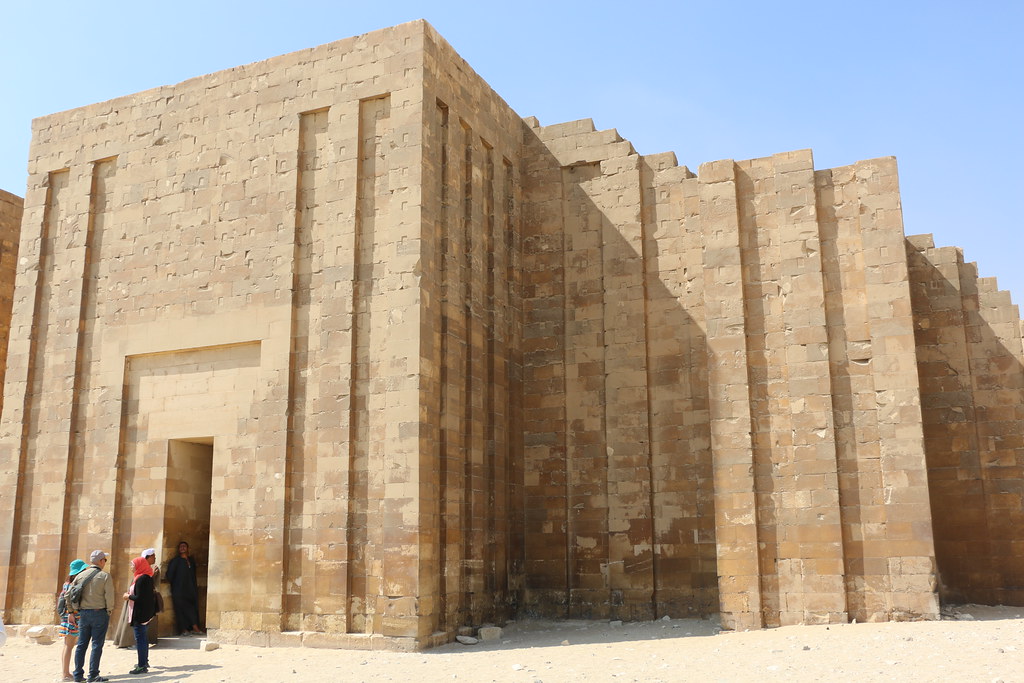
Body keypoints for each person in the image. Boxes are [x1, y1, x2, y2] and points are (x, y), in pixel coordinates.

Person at [71, 549, 114, 683]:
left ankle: (78, 674)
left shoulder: (80, 576)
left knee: (81, 644)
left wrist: (74, 609)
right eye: (104, 560)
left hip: (84, 613)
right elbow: (109, 596)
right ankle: (93, 674)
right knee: (96, 644)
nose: (105, 562)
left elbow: (69, 594)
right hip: (99, 612)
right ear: (100, 561)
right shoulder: (105, 576)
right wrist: (109, 611)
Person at [113, 548, 160, 649]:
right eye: (153, 556)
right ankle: (129, 642)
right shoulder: (140, 574)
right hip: (136, 606)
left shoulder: (146, 572)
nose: (155, 558)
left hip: (142, 606)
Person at [124, 556, 157, 675]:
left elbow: (140, 598)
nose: (131, 567)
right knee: (143, 638)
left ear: (139, 565)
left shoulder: (141, 579)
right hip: (145, 613)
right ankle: (144, 662)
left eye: (133, 565)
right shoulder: (146, 577)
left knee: (140, 640)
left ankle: (141, 665)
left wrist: (128, 596)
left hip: (140, 614)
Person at [57, 559, 88, 681]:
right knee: (69, 646)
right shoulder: (74, 584)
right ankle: (65, 673)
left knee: (68, 645)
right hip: (73, 617)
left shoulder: (66, 584)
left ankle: (65, 672)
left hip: (69, 617)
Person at [165, 541, 202, 636]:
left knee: (192, 609)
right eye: (180, 546)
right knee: (180, 610)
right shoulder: (175, 561)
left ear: (188, 548)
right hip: (179, 590)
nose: (182, 548)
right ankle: (184, 630)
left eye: (184, 546)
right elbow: (169, 575)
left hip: (190, 590)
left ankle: (195, 628)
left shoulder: (191, 561)